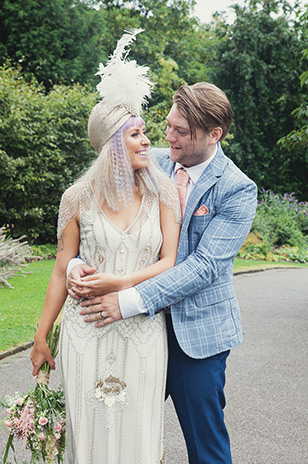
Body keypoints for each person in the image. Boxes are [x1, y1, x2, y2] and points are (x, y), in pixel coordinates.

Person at [68, 81, 258, 463]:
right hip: (134, 334)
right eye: (168, 125)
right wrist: (75, 262)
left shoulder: (238, 189)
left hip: (197, 338)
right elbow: (92, 210)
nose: (167, 136)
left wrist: (128, 299)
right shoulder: (148, 158)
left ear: (214, 134)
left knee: (207, 450)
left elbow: (203, 267)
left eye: (181, 131)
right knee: (119, 435)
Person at [31, 29, 181, 463]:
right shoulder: (76, 199)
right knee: (91, 440)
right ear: (113, 144)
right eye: (136, 134)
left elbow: (169, 262)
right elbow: (61, 269)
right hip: (85, 333)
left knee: (140, 435)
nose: (148, 141)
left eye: (146, 132)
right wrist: (41, 336)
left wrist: (119, 281)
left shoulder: (164, 194)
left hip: (142, 333)